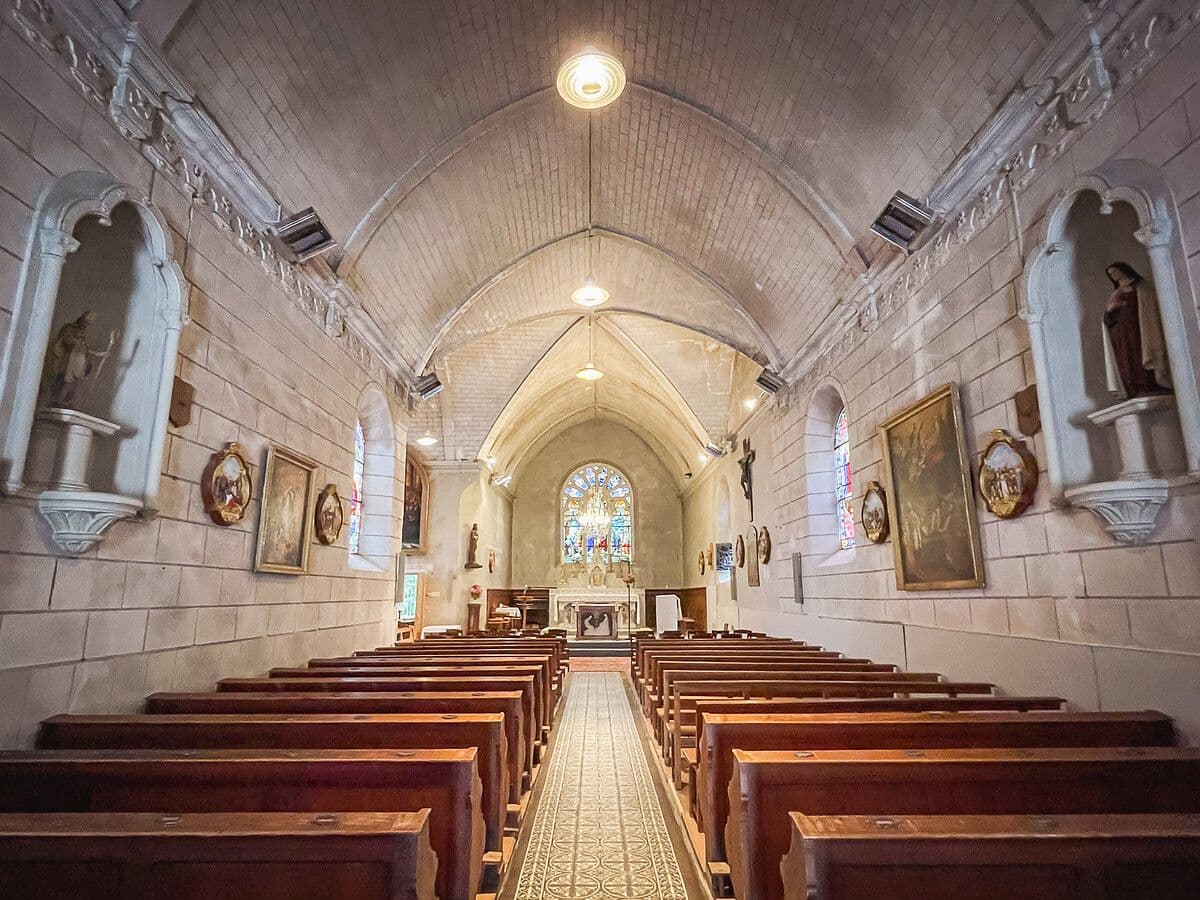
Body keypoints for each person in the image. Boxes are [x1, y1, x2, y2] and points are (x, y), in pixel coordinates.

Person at [1102, 262, 1172, 399]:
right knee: (1128, 358)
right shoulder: (1116, 292)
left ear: (1123, 270)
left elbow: (1151, 306)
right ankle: (1134, 388)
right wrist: (1110, 310)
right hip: (1122, 334)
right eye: (1110, 274)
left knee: (1144, 353)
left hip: (1142, 329)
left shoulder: (1142, 287)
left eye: (1115, 271)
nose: (1113, 275)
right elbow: (1107, 318)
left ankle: (1152, 384)